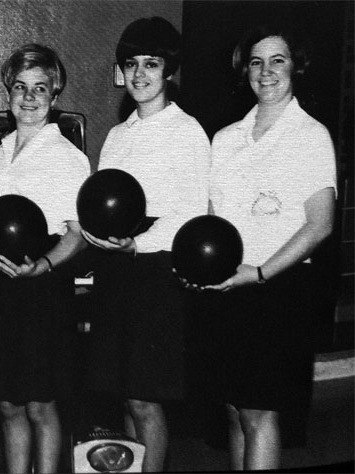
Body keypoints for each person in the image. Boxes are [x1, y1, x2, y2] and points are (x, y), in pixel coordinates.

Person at [187, 24, 336, 471]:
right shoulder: (227, 137)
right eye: (256, 61)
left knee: (260, 412)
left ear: (296, 67)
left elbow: (320, 224)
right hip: (228, 288)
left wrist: (262, 272)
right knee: (234, 409)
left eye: (278, 60)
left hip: (279, 289)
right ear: (244, 71)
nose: (266, 71)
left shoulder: (310, 135)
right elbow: (213, 216)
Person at [79, 17, 211, 472]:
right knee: (123, 400)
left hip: (158, 275)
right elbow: (101, 208)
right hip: (116, 274)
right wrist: (98, 240)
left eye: (151, 64)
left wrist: (137, 245)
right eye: (130, 64)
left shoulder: (187, 132)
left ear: (168, 70)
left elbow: (194, 215)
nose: (139, 74)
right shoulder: (118, 136)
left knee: (146, 401)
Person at [0, 43, 90, 474]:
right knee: (7, 404)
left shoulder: (70, 159)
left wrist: (44, 266)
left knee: (41, 404)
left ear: (55, 95)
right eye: (20, 87)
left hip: (43, 288)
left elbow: (80, 234)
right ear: (8, 92)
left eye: (40, 88)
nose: (29, 97)